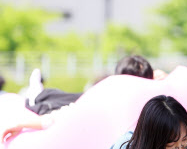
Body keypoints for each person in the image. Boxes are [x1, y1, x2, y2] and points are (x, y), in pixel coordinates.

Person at [1, 55, 155, 142]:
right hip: (71, 109)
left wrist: (24, 124)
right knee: (70, 99)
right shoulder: (138, 98)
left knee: (62, 101)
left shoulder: (116, 99)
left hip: (66, 112)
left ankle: (38, 95)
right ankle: (38, 95)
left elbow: (58, 118)